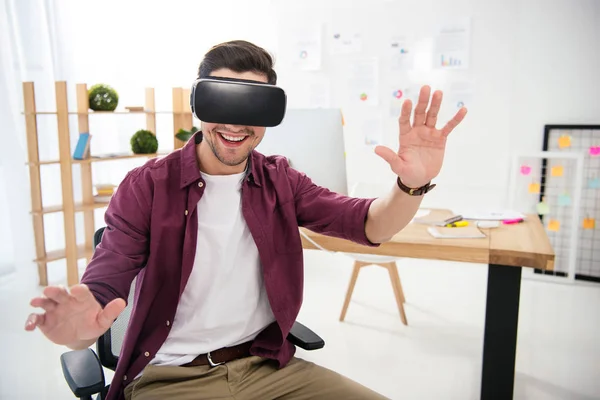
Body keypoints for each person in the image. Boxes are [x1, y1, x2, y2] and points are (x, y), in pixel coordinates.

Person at [25, 40, 467, 400]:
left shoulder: (281, 180)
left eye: (252, 106)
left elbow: (369, 224)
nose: (236, 123)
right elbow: (106, 281)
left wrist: (411, 185)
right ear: (200, 103)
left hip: (269, 368)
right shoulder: (147, 186)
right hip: (172, 381)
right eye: (223, 99)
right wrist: (80, 330)